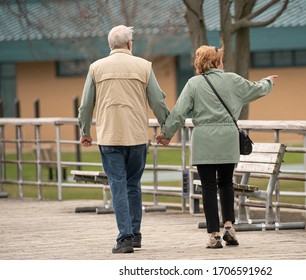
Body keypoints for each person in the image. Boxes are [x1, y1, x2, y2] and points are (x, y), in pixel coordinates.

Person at [156, 45, 278, 249]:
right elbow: (256, 90)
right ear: (217, 62)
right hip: (228, 140)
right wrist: (268, 82)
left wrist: (166, 134)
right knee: (226, 183)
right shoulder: (232, 79)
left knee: (209, 188)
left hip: (204, 141)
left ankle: (214, 235)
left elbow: (178, 112)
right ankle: (229, 226)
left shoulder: (193, 84)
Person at [78, 25, 170, 254]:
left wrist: (85, 131)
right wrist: (166, 129)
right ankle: (135, 234)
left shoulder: (96, 68)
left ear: (110, 45)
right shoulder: (144, 66)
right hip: (137, 135)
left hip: (110, 136)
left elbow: (86, 104)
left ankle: (125, 238)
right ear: (129, 44)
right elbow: (157, 101)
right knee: (133, 185)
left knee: (117, 185)